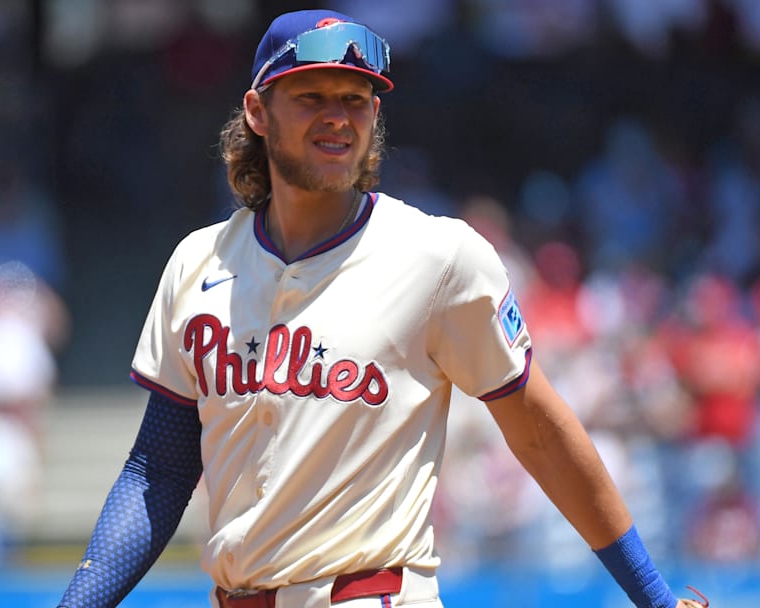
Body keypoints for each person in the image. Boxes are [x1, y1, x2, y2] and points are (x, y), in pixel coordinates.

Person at [56, 10, 707, 608]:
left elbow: (538, 432)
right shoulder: (198, 263)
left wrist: (652, 597)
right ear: (257, 111)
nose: (339, 116)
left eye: (357, 100)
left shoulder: (438, 256)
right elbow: (160, 468)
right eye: (312, 97)